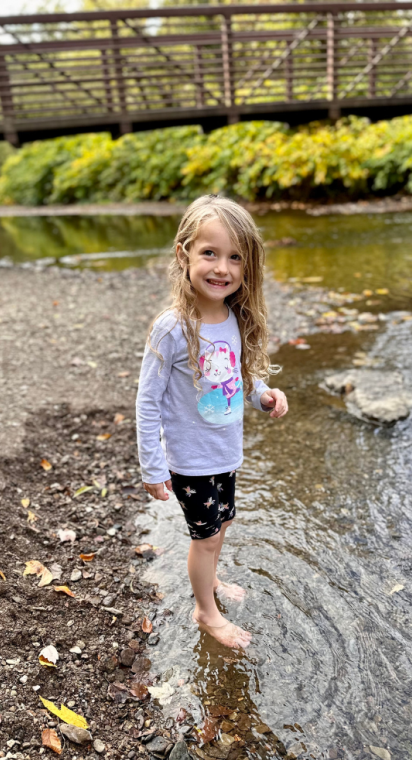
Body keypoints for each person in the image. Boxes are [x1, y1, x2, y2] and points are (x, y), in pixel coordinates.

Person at [136, 195, 288, 649]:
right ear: (184, 254)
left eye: (235, 257)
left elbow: (240, 376)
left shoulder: (234, 318)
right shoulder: (173, 327)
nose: (222, 268)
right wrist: (152, 466)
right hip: (191, 459)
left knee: (221, 526)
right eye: (209, 253)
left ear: (248, 265)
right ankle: (206, 611)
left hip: (225, 452)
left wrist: (264, 395)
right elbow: (148, 401)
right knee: (204, 538)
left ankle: (211, 580)